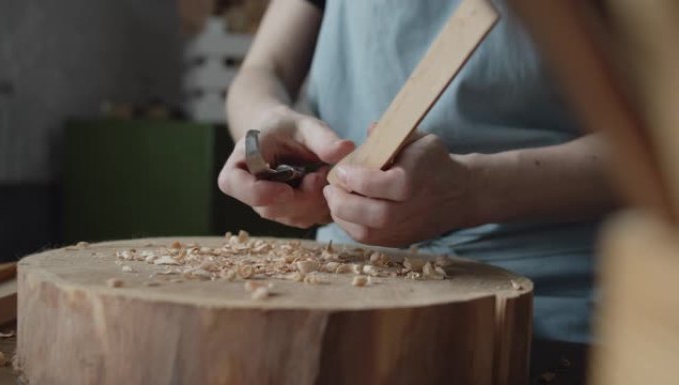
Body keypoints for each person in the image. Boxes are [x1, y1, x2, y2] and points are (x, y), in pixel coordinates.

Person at [219, 0, 615, 377]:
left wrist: (476, 191)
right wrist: (266, 121)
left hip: (549, 299)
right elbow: (261, 69)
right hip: (347, 280)